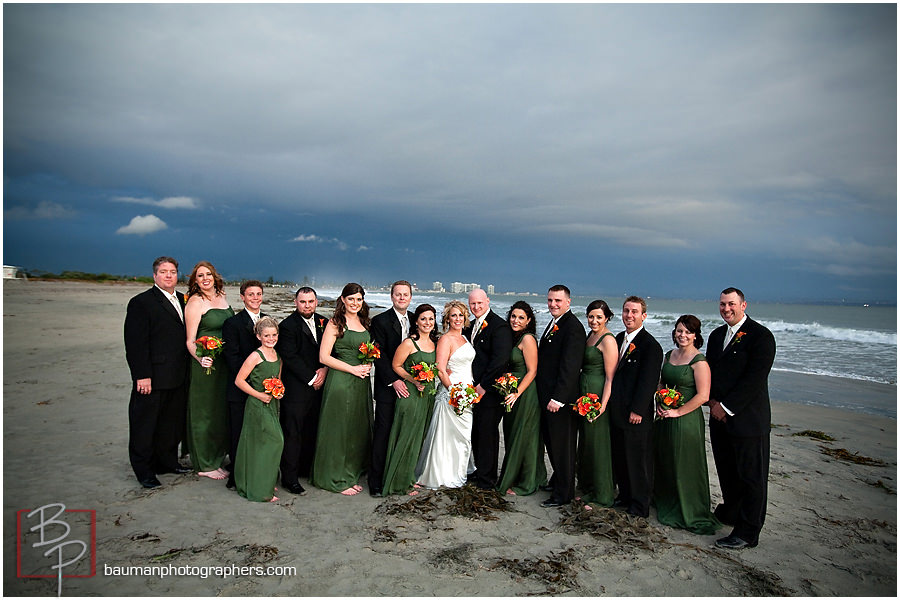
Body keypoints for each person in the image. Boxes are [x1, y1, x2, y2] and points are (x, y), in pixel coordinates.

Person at [706, 288, 776, 550]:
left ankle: (748, 532)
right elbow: (710, 371)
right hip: (719, 417)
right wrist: (711, 400)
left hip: (748, 420)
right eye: (723, 304)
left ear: (744, 305)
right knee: (727, 470)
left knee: (751, 477)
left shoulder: (760, 336)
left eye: (731, 304)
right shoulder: (716, 335)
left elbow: (754, 380)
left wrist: (726, 406)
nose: (726, 309)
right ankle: (731, 511)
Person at [124, 256, 190, 488]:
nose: (169, 275)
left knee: (170, 424)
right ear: (155, 276)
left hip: (179, 375)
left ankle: (167, 462)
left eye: (172, 271)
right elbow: (135, 343)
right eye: (163, 272)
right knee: (145, 424)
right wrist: (142, 375)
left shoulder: (184, 299)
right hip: (153, 376)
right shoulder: (141, 302)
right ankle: (144, 471)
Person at [653, 315, 721, 534]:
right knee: (666, 459)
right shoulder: (669, 355)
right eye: (679, 331)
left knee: (685, 464)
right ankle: (667, 499)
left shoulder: (699, 361)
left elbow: (703, 396)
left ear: (695, 335)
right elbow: (661, 382)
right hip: (665, 415)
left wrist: (677, 411)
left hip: (686, 419)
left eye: (687, 332)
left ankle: (690, 508)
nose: (682, 335)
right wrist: (660, 401)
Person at [310, 283, 374, 496]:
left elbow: (365, 350)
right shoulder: (335, 323)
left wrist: (368, 363)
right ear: (343, 300)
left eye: (359, 299)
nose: (355, 303)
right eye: (351, 299)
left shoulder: (364, 322)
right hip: (341, 381)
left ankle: (350, 472)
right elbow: (324, 357)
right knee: (339, 430)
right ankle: (334, 477)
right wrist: (353, 369)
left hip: (361, 382)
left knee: (356, 429)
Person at [608, 296, 663, 518]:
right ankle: (625, 495)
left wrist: (638, 410)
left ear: (644, 316)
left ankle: (640, 505)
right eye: (626, 311)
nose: (629, 315)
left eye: (634, 312)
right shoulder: (619, 338)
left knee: (638, 460)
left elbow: (649, 382)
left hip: (636, 414)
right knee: (620, 456)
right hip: (617, 409)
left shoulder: (651, 346)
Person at [415, 300, 476, 489]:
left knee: (464, 436)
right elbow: (441, 370)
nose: (457, 319)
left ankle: (459, 470)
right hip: (452, 392)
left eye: (460, 315)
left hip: (467, 390)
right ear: (447, 319)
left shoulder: (465, 339)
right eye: (453, 315)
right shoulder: (445, 339)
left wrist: (467, 393)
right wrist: (454, 392)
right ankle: (442, 473)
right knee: (447, 434)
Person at [537, 285, 586, 508]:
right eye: (550, 300)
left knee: (562, 447)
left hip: (561, 401)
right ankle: (558, 479)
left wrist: (559, 398)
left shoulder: (573, 327)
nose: (553, 304)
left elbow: (571, 366)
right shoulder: (555, 323)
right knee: (552, 442)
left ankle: (563, 494)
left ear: (568, 302)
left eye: (557, 301)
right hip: (547, 395)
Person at [184, 261, 234, 480]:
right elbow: (190, 341)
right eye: (200, 276)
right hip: (207, 364)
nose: (205, 278)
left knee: (219, 411)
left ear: (215, 276)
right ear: (195, 281)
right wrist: (201, 357)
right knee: (204, 411)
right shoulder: (195, 302)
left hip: (225, 364)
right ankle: (204, 463)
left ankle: (216, 456)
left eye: (208, 274)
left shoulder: (222, 297)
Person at [382, 304, 438, 495]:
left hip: (428, 396)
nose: (427, 323)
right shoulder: (409, 343)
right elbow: (396, 365)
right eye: (423, 319)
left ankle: (408, 476)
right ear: (416, 321)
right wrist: (413, 380)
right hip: (411, 396)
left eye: (431, 319)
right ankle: (398, 483)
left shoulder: (435, 343)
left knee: (418, 438)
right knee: (406, 436)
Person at [276, 287, 328, 496]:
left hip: (320, 387)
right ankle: (289, 478)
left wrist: (324, 370)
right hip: (297, 389)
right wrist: (312, 378)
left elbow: (328, 351)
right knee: (293, 433)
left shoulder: (324, 322)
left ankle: (305, 469)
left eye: (311, 301)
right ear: (296, 303)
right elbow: (290, 357)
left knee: (311, 430)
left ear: (317, 302)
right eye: (303, 301)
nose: (307, 305)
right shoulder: (287, 326)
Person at [465, 289, 514, 490]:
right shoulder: (470, 325)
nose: (476, 307)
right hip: (472, 389)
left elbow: (500, 361)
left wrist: (483, 386)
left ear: (488, 301)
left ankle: (488, 479)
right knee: (476, 432)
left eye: (479, 303)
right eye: (472, 304)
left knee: (487, 434)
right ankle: (480, 470)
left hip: (490, 391)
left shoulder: (499, 327)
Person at [496, 301, 546, 496]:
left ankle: (526, 483)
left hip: (524, 394)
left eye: (521, 318)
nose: (515, 320)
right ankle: (524, 475)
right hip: (511, 392)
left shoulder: (528, 339)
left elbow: (532, 371)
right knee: (512, 433)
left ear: (529, 321)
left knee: (524, 435)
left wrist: (517, 393)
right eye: (513, 316)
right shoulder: (513, 337)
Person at [368, 281, 413, 497]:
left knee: (404, 432)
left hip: (412, 387)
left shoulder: (416, 319)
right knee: (383, 432)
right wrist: (394, 380)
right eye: (398, 294)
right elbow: (379, 355)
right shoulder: (380, 321)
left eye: (405, 294)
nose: (401, 298)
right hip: (388, 386)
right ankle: (375, 482)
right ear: (391, 297)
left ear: (410, 297)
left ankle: (399, 475)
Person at [233, 317, 284, 502]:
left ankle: (265, 480)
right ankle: (260, 489)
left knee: (265, 443)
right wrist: (259, 395)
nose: (271, 338)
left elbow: (277, 380)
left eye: (274, 335)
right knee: (275, 441)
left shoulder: (277, 355)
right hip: (257, 404)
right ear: (258, 336)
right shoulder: (255, 356)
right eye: (267, 335)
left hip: (272, 404)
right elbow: (239, 381)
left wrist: (278, 392)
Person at [221, 280, 266, 490]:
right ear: (242, 297)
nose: (255, 298)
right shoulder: (233, 323)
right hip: (241, 387)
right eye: (251, 294)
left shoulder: (268, 321)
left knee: (260, 431)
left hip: (265, 387)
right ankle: (236, 476)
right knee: (238, 432)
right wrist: (254, 379)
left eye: (258, 294)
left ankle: (258, 471)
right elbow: (232, 357)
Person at [576, 300, 618, 507]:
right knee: (586, 443)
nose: (594, 321)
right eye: (591, 316)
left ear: (607, 318)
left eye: (599, 317)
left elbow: (611, 377)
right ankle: (586, 486)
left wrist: (602, 405)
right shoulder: (590, 336)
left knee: (598, 444)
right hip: (584, 392)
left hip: (598, 394)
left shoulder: (608, 340)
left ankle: (601, 493)